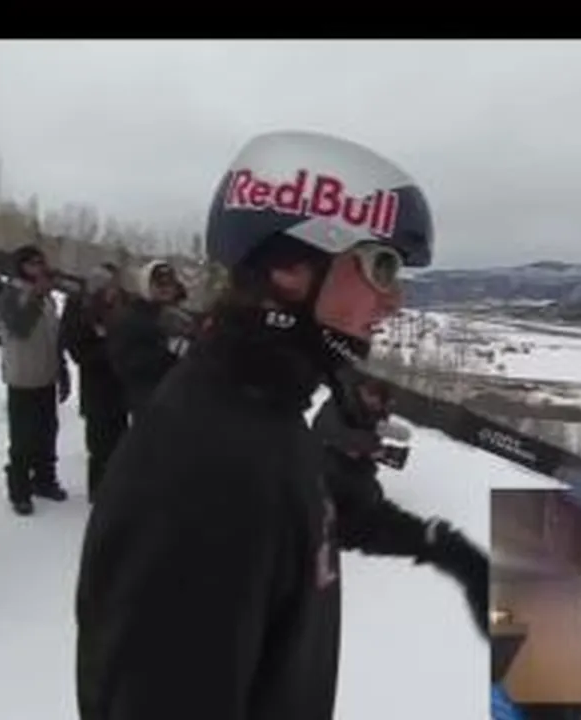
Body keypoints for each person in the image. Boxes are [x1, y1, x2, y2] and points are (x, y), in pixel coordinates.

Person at [75, 129, 434, 720]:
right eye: (382, 265)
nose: (394, 299)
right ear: (292, 267)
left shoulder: (267, 414)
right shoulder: (206, 468)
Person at [311, 373, 488, 638]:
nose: (377, 404)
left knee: (369, 503)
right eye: (374, 397)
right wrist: (369, 446)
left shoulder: (374, 416)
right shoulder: (337, 406)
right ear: (362, 391)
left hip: (355, 486)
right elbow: (329, 431)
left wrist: (437, 544)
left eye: (382, 401)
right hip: (328, 480)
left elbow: (372, 521)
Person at [0, 244, 70, 514]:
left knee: (47, 432)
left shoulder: (48, 298)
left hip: (46, 374)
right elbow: (20, 328)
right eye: (33, 263)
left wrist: (61, 370)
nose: (39, 268)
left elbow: (54, 337)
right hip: (22, 377)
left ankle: (44, 479)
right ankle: (19, 490)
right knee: (23, 437)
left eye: (41, 262)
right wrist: (37, 295)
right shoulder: (10, 294)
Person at [59, 261, 130, 502]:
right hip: (97, 387)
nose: (114, 290)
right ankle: (99, 493)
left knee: (120, 441)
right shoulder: (81, 310)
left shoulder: (121, 308)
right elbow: (78, 351)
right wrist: (111, 347)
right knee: (100, 445)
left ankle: (118, 489)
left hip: (120, 386)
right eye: (110, 286)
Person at [105, 259, 192, 418]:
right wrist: (167, 351)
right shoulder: (132, 318)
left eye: (169, 283)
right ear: (146, 286)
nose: (165, 289)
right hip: (149, 402)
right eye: (159, 284)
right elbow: (124, 362)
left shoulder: (183, 316)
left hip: (181, 402)